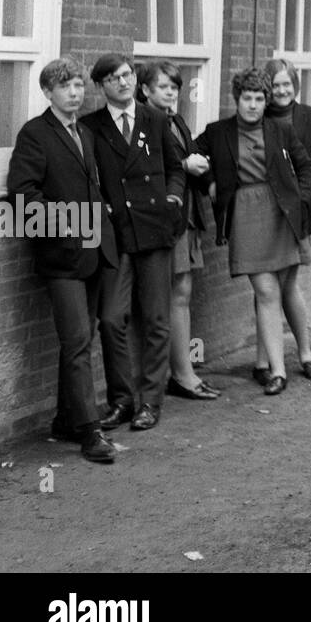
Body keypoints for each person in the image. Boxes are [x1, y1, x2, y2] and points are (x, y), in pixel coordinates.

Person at [7, 59, 118, 463]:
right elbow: (23, 194)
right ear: (48, 92)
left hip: (92, 253)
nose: (75, 93)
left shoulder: (84, 133)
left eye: (77, 85)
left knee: (79, 341)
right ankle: (89, 432)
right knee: (76, 343)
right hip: (61, 255)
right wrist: (69, 227)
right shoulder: (35, 134)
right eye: (65, 86)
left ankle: (66, 420)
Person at [193, 69, 311, 394]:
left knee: (281, 288)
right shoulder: (217, 132)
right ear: (237, 99)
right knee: (266, 290)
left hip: (282, 213)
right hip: (245, 214)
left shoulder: (281, 130)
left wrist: (302, 200)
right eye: (246, 98)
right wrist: (209, 184)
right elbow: (188, 157)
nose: (252, 105)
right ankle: (278, 371)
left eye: (259, 99)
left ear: (266, 101)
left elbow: (306, 167)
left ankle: (272, 366)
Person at [80, 53, 185, 432]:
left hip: (155, 230)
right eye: (113, 79)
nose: (122, 83)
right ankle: (122, 400)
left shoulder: (156, 119)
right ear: (101, 86)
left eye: (126, 75)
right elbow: (87, 177)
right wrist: (100, 205)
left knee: (157, 318)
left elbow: (176, 168)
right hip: (117, 234)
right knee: (110, 319)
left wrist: (173, 198)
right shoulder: (90, 126)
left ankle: (151, 402)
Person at [136, 61, 219, 401]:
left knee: (181, 292)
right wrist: (186, 165)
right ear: (145, 90)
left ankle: (182, 371)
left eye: (175, 87)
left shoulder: (176, 120)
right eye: (163, 87)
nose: (171, 93)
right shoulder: (142, 123)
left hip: (184, 215)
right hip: (162, 217)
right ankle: (180, 375)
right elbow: (140, 169)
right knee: (170, 295)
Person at [256, 57, 311, 383]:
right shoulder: (258, 118)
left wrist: (310, 199)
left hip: (298, 215)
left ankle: (303, 352)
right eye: (275, 85)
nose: (281, 90)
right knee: (265, 282)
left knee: (286, 282)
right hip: (266, 213)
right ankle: (264, 362)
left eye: (286, 84)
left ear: (295, 85)